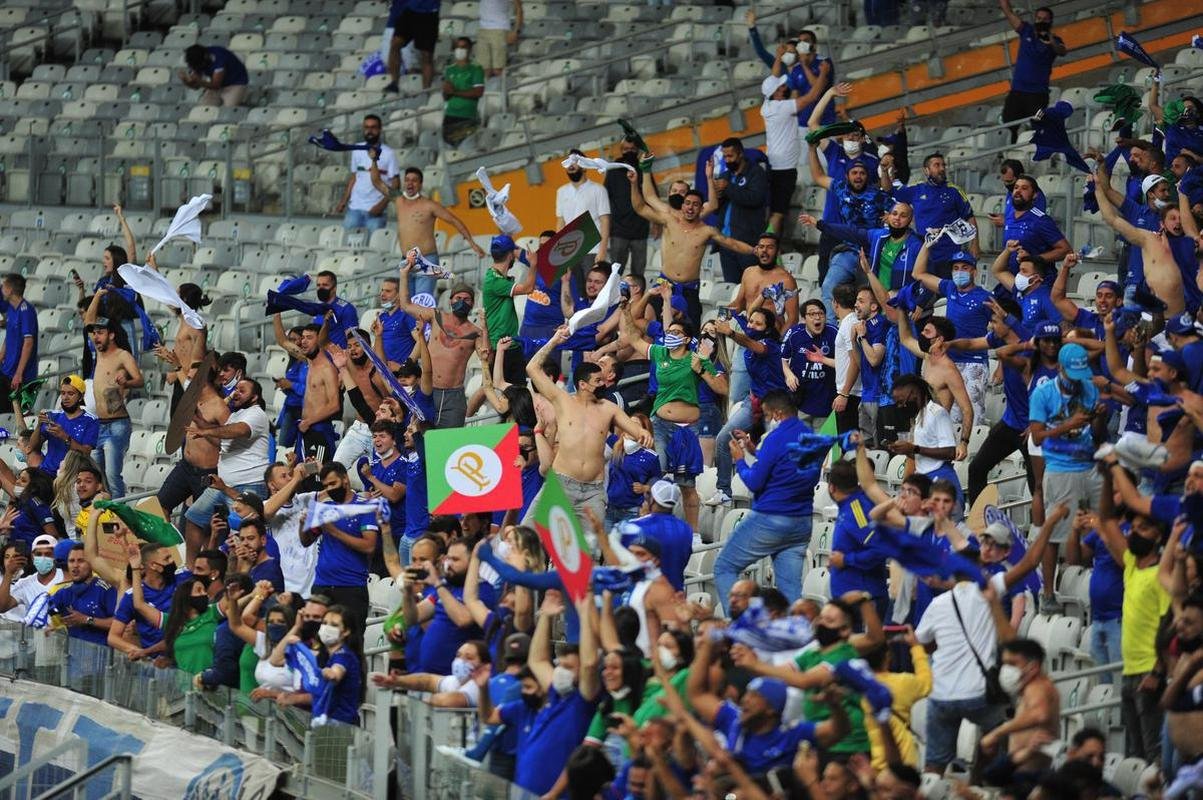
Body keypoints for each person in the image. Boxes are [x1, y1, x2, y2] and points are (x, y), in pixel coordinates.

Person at [477, 591, 601, 798]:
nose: (560, 670)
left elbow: (589, 664)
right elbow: (537, 660)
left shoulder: (582, 702)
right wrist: (545, 616)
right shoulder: (554, 695)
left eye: (568, 667)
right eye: (559, 665)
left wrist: (586, 612)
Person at [526, 327, 653, 526]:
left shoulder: (609, 408)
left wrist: (643, 433)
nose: (603, 384)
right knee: (527, 535)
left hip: (593, 492)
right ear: (583, 384)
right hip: (560, 483)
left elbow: (635, 429)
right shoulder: (562, 400)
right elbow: (532, 368)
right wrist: (554, 341)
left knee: (591, 554)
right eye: (598, 381)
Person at [713, 390, 820, 611]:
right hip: (801, 523)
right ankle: (797, 637)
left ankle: (739, 631)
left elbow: (754, 483)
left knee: (724, 567)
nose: (764, 420)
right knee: (790, 590)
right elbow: (786, 468)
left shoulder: (775, 438)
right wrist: (753, 451)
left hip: (772, 519)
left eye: (766, 414)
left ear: (778, 414)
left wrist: (740, 461)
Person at [1096, 453, 1171, 764]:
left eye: (1145, 528)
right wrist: (1107, 480)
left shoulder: (1162, 575)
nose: (1135, 531)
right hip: (1128, 670)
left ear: (1159, 536)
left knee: (1153, 751)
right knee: (1133, 753)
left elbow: (1171, 625)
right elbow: (1106, 521)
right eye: (1135, 526)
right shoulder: (1131, 564)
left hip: (1149, 674)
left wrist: (1157, 671)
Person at [1029, 343, 1106, 610]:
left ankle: (1095, 585)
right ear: (1060, 368)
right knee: (1053, 535)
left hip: (1089, 465)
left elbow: (1095, 432)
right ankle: (1047, 592)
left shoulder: (1088, 387)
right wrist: (1066, 425)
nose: (1078, 381)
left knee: (1101, 526)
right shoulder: (1042, 394)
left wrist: (1097, 417)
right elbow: (1037, 437)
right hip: (1061, 469)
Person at [629, 170, 754, 327]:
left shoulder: (707, 231)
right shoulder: (669, 221)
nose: (690, 208)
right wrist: (634, 184)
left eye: (695, 205)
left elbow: (732, 243)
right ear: (682, 206)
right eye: (687, 203)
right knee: (644, 323)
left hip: (689, 290)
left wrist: (754, 250)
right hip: (664, 284)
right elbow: (640, 208)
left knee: (692, 333)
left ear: (701, 209)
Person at [710, 308, 787, 506]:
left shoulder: (769, 345)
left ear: (768, 329)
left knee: (775, 451)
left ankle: (778, 495)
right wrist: (734, 314)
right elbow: (742, 318)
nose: (752, 326)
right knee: (723, 439)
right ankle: (724, 491)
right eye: (751, 322)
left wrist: (731, 333)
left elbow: (753, 344)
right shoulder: (750, 328)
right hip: (752, 402)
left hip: (776, 408)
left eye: (758, 324)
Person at [910, 241, 992, 426]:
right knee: (949, 419)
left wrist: (1001, 364)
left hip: (974, 362)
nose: (959, 271)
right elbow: (918, 273)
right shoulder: (949, 288)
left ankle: (972, 452)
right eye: (955, 268)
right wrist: (927, 245)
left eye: (964, 267)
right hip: (949, 361)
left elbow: (1001, 330)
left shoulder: (985, 297)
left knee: (973, 415)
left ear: (974, 271)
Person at [398, 257, 482, 428]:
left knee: (449, 446)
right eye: (458, 298)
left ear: (473, 303)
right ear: (450, 300)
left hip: (454, 397)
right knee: (422, 440)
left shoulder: (476, 333)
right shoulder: (436, 317)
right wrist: (404, 274)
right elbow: (406, 305)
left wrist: (486, 327)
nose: (462, 302)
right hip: (427, 391)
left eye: (467, 299)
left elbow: (486, 357)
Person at [302, 463, 378, 623]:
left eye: (333, 483)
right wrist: (303, 525)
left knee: (351, 641)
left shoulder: (365, 508)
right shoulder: (325, 508)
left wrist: (334, 531)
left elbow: (369, 546)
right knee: (318, 641)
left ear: (345, 479)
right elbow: (306, 541)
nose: (329, 489)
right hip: (322, 585)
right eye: (326, 486)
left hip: (351, 587)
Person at [979, 639, 1061, 779]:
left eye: (1012, 664)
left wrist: (996, 734)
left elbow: (1040, 714)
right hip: (1022, 769)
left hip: (1032, 774)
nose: (1006, 669)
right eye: (1005, 663)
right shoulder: (1028, 688)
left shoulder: (1038, 687)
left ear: (1033, 667)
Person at [891, 154, 978, 279]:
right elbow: (890, 190)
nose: (942, 168)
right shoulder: (916, 190)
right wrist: (885, 171)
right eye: (937, 165)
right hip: (922, 253)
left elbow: (969, 217)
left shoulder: (954, 191)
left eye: (943, 165)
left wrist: (975, 245)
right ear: (926, 170)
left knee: (944, 293)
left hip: (948, 254)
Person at [86, 317, 142, 497]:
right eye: (94, 333)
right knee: (97, 476)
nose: (96, 337)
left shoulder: (122, 355)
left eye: (100, 333)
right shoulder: (98, 352)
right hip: (98, 424)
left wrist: (127, 381)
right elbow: (88, 320)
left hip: (117, 424)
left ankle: (120, 517)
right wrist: (98, 295)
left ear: (111, 335)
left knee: (112, 475)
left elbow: (140, 380)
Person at [998, 1, 1067, 142]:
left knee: (1039, 125)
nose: (1041, 21)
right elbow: (1008, 12)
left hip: (1038, 94)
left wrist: (1051, 39)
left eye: (1045, 19)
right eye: (1039, 18)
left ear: (1051, 21)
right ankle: (1011, 154)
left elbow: (1062, 51)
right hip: (1017, 91)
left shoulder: (1055, 40)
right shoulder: (1026, 30)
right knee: (1009, 125)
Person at [617, 479, 694, 593]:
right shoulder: (686, 529)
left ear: (652, 499)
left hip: (643, 595)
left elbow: (619, 561)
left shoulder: (633, 526)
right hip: (675, 593)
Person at [713, 137, 770, 284]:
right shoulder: (725, 176)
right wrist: (717, 196)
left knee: (752, 286)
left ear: (740, 154)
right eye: (725, 156)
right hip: (726, 243)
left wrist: (728, 188)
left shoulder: (756, 173)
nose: (727, 160)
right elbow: (716, 210)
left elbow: (755, 199)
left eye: (730, 156)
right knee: (731, 287)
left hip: (747, 242)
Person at [333, 115, 398, 234]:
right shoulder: (357, 150)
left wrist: (381, 206)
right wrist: (343, 201)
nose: (370, 131)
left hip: (376, 212)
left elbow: (395, 184)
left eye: (373, 127)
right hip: (354, 210)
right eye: (366, 127)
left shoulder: (389, 153)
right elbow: (354, 177)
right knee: (348, 247)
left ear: (379, 129)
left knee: (373, 249)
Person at [782, 299, 838, 429]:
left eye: (821, 313)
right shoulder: (794, 334)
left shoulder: (834, 333)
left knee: (820, 447)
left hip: (826, 403)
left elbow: (846, 364)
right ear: (804, 318)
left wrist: (823, 359)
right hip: (800, 403)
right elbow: (783, 359)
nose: (817, 317)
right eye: (812, 314)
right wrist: (789, 374)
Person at [1000, 176, 1071, 275]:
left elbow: (1065, 250)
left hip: (1038, 282)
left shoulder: (1040, 219)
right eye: (1016, 187)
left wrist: (1034, 259)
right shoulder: (1009, 218)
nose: (1018, 191)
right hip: (1012, 280)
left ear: (1034, 195)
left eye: (1024, 188)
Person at [30, 375, 97, 478]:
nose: (65, 397)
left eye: (71, 394)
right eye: (63, 393)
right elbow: (33, 446)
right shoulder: (53, 416)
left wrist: (64, 437)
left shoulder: (91, 421)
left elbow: (85, 453)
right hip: (46, 473)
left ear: (81, 396)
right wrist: (39, 425)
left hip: (71, 476)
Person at [604, 138, 651, 275]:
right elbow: (605, 198)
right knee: (615, 273)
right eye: (626, 149)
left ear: (637, 150)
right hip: (618, 230)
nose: (629, 152)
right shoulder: (613, 169)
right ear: (621, 150)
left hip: (640, 230)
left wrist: (656, 223)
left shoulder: (644, 168)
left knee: (638, 274)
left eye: (632, 149)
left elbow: (651, 195)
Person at [482, 235, 537, 347]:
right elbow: (528, 288)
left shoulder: (496, 277)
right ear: (510, 255)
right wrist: (533, 265)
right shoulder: (495, 281)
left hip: (509, 342)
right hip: (500, 345)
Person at [558, 148, 611, 263]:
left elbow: (605, 221)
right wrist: (559, 254)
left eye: (575, 162)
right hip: (570, 252)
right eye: (568, 163)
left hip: (593, 249)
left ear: (584, 166)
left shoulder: (599, 189)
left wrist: (602, 250)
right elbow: (561, 222)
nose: (571, 166)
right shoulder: (561, 191)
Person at [0, 534, 63, 620]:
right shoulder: (24, 583)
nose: (43, 558)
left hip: (63, 632)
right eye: (38, 554)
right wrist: (8, 573)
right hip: (35, 633)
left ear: (56, 556)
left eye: (48, 554)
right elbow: (2, 607)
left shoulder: (67, 578)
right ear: (32, 557)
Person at [386, 0, 441, 90]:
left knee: (427, 56)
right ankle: (394, 83)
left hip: (429, 14)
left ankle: (426, 90)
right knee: (395, 44)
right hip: (410, 11)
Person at [832, 284, 863, 434]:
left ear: (835, 303)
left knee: (849, 447)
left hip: (852, 393)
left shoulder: (849, 324)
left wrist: (844, 394)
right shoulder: (850, 322)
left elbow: (855, 361)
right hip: (850, 391)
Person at [442, 37, 485, 147]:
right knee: (449, 148)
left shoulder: (476, 69)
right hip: (450, 115)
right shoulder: (449, 69)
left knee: (464, 148)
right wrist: (446, 91)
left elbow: (478, 92)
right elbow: (446, 96)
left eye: (463, 47)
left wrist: (454, 92)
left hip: (467, 116)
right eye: (457, 47)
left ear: (469, 49)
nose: (459, 49)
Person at [0, 273, 37, 396]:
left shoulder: (27, 311)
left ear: (10, 290)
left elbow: (28, 343)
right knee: (4, 413)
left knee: (17, 414)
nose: (2, 289)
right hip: (6, 370)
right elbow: (9, 336)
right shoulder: (11, 308)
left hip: (21, 376)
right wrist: (1, 356)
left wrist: (19, 373)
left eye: (3, 286)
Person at [179, 44, 248, 107]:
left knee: (228, 109)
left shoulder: (219, 58)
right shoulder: (195, 61)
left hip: (236, 83)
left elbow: (216, 85)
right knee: (204, 109)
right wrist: (186, 81)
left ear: (205, 57)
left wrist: (198, 80)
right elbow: (196, 87)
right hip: (217, 85)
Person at [476, 0, 521, 77]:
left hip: (499, 29)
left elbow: (519, 9)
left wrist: (515, 31)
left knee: (498, 69)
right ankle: (487, 88)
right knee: (484, 69)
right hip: (483, 29)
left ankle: (503, 87)